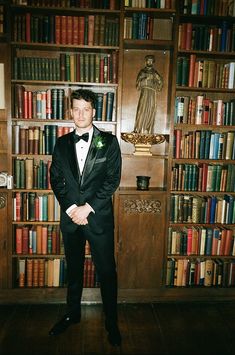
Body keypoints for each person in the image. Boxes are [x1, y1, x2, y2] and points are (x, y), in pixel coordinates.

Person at [49, 89, 122, 347]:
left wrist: (87, 208)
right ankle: (72, 314)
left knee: (107, 271)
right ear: (70, 111)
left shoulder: (109, 142)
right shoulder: (61, 143)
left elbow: (112, 180)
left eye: (86, 109)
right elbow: (56, 180)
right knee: (75, 270)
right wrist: (71, 209)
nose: (81, 114)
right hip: (71, 219)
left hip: (98, 218)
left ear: (94, 111)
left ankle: (111, 322)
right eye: (76, 108)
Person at [134, 55, 163, 134]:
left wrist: (154, 83)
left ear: (153, 62)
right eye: (148, 60)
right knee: (142, 110)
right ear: (145, 61)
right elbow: (138, 85)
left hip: (152, 93)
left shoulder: (155, 73)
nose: (149, 62)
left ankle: (148, 129)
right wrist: (145, 79)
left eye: (151, 60)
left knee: (150, 110)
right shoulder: (142, 72)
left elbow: (160, 83)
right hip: (144, 92)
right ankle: (138, 128)